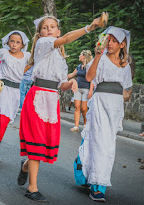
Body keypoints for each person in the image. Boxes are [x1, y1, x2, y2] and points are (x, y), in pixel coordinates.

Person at [17, 15, 102, 202]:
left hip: (51, 99)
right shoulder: (43, 44)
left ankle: (26, 166)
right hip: (37, 96)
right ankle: (32, 188)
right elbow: (66, 39)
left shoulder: (61, 59)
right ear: (40, 34)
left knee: (42, 143)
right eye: (45, 27)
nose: (48, 30)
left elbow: (60, 84)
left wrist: (70, 82)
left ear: (58, 30)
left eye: (52, 27)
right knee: (36, 140)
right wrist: (89, 27)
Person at [74, 26, 133, 202]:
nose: (110, 43)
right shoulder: (101, 58)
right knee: (100, 143)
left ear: (122, 44)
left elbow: (127, 90)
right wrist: (98, 56)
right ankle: (98, 186)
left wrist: (123, 95)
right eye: (108, 40)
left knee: (107, 145)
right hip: (100, 102)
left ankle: (86, 173)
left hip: (114, 107)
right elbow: (90, 78)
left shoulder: (125, 65)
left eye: (114, 41)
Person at [0, 30, 30, 164]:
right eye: (12, 41)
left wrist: (20, 73)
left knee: (5, 121)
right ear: (8, 42)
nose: (14, 44)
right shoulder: (3, 53)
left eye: (17, 42)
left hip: (15, 92)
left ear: (22, 45)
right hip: (3, 89)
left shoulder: (26, 56)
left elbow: (31, 64)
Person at [67, 50, 94, 132]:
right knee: (77, 107)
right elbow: (71, 74)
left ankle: (85, 125)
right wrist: (62, 76)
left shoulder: (89, 66)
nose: (79, 56)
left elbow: (92, 79)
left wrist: (91, 91)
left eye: (80, 55)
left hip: (86, 89)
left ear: (84, 57)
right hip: (77, 89)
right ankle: (76, 126)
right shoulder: (78, 67)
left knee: (84, 108)